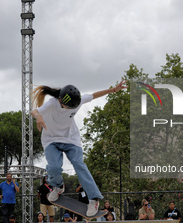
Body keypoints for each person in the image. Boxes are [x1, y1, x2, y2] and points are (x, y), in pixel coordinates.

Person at [31, 81, 127, 216]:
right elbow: (34, 111)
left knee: (79, 164)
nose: (70, 110)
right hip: (51, 140)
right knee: (54, 167)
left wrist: (113, 90)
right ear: (60, 100)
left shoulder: (78, 100)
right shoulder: (52, 103)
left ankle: (93, 199)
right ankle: (57, 187)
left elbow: (94, 95)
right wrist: (39, 117)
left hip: (71, 140)